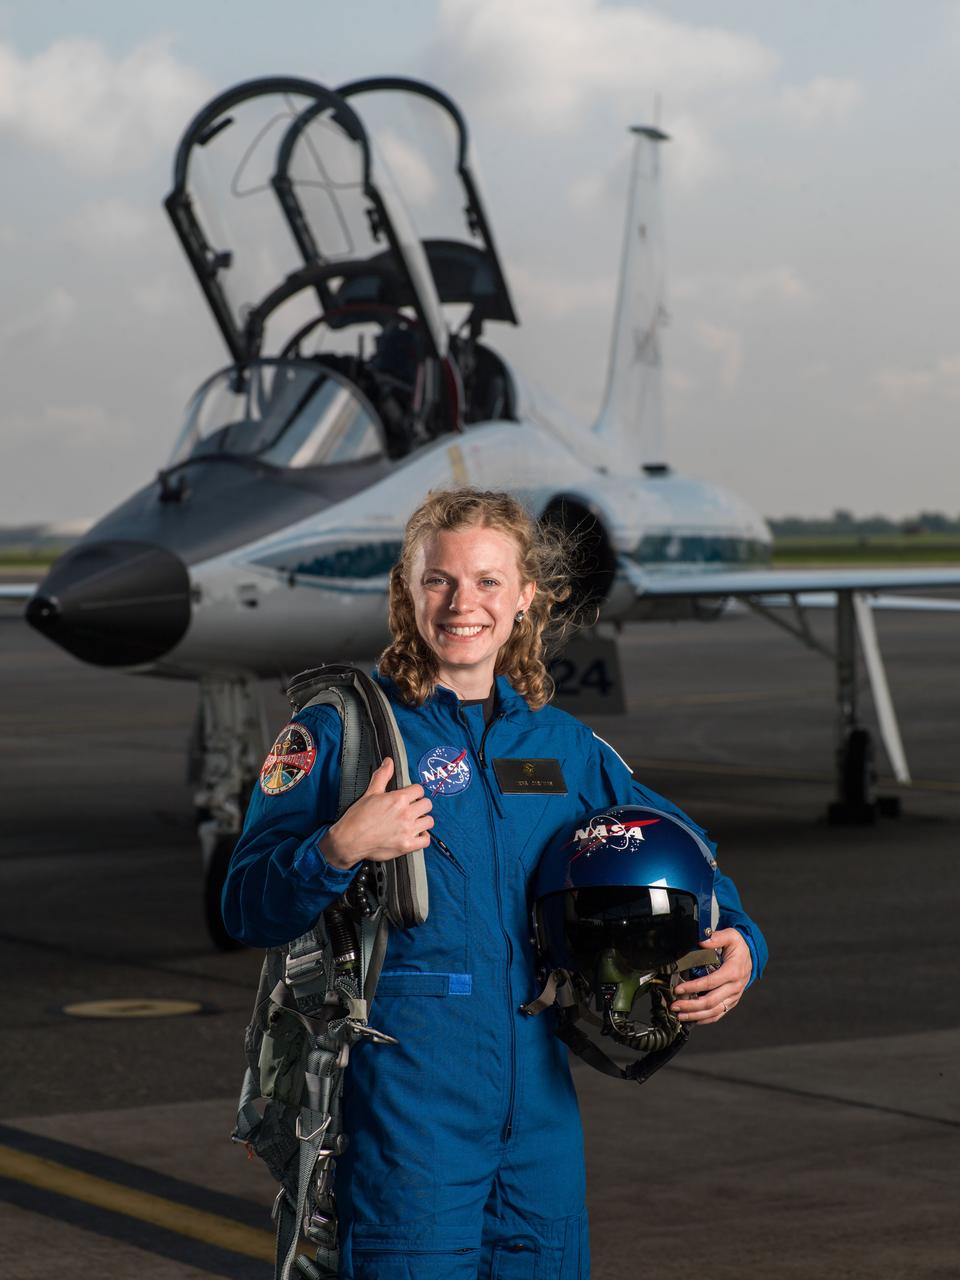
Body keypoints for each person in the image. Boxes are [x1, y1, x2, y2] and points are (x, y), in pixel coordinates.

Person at [222, 487, 767, 1280]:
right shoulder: (340, 734)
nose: (461, 603)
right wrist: (338, 847)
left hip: (538, 1113)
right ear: (407, 594)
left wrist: (741, 943)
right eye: (439, 580)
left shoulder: (563, 745)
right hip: (410, 1110)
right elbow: (246, 904)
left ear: (524, 598)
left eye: (486, 581)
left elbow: (684, 855)